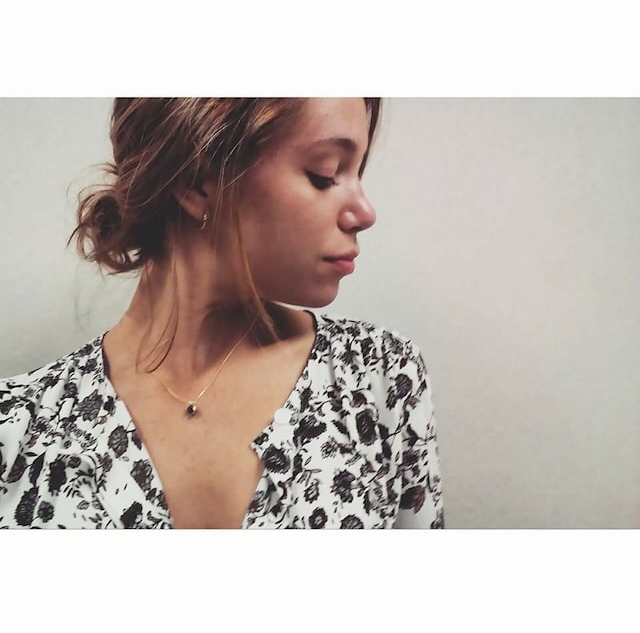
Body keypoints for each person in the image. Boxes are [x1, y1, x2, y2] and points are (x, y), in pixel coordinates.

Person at [0, 97, 444, 529]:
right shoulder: (18, 428)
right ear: (196, 181)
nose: (365, 213)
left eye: (357, 173)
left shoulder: (378, 378)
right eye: (325, 174)